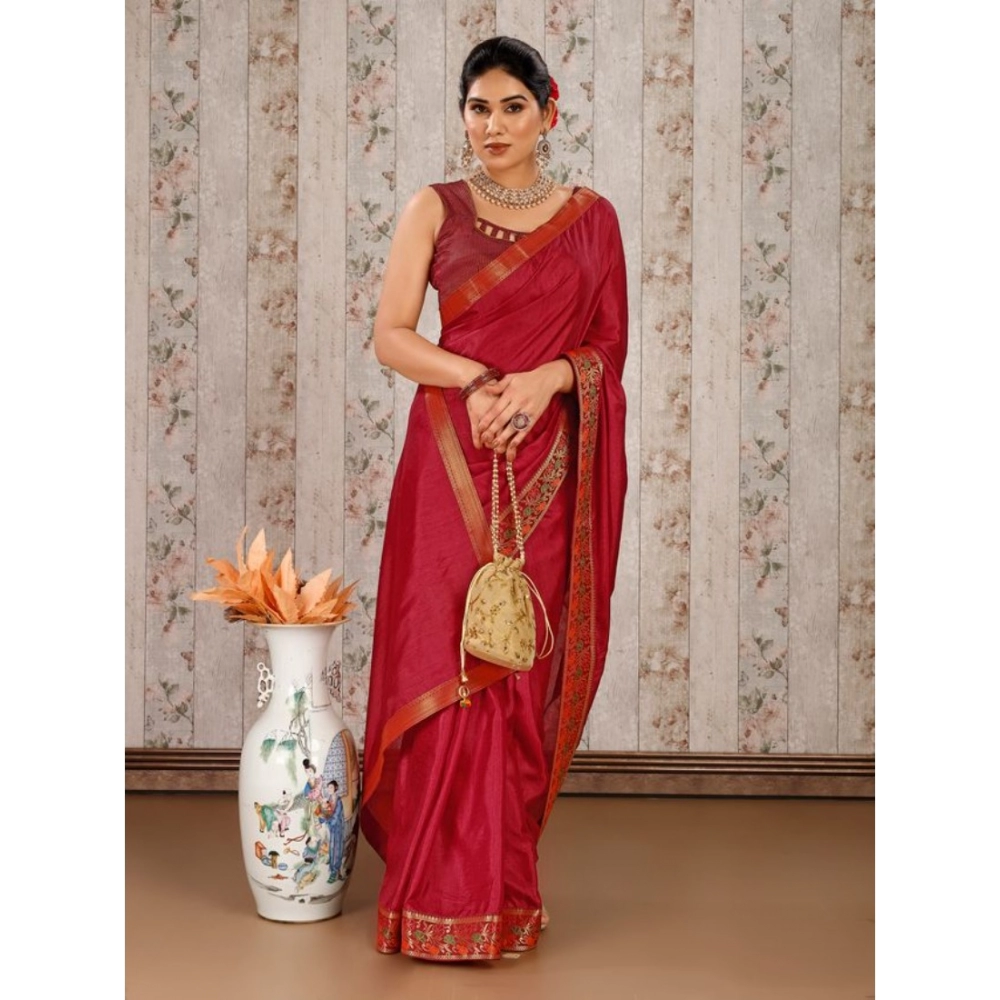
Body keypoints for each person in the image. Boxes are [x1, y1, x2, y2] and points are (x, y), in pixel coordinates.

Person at [359, 35, 628, 962]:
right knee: (447, 658)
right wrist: (477, 380)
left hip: (547, 460)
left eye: (514, 107)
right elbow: (393, 336)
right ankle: (432, 896)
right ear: (463, 116)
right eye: (480, 108)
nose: (495, 126)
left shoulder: (593, 220)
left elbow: (606, 351)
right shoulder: (434, 207)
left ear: (549, 112)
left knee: (514, 668)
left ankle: (502, 893)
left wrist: (548, 379)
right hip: (454, 455)